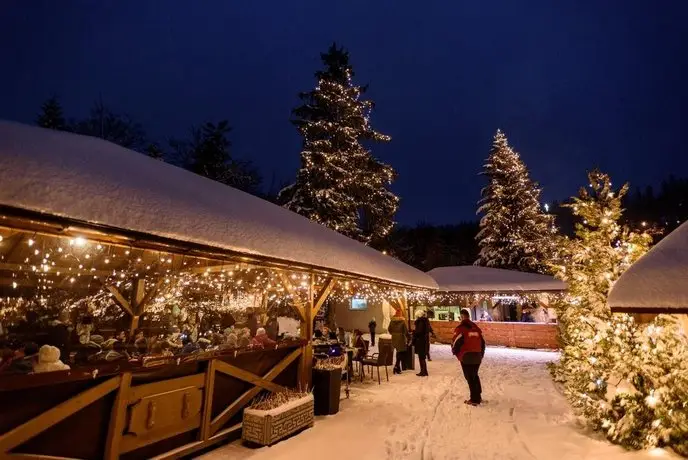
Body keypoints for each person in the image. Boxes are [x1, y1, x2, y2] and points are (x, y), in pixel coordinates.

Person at [452, 309, 486, 406]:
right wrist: (481, 354)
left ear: (462, 317)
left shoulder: (461, 328)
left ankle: (474, 399)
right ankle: (478, 396)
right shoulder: (476, 328)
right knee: (474, 375)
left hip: (466, 356)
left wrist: (456, 353)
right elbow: (483, 342)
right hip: (477, 355)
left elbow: (455, 342)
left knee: (470, 377)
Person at [413, 310, 430, 377]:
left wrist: (414, 332)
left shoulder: (421, 322)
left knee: (421, 357)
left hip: (421, 341)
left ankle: (423, 371)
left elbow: (419, 332)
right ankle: (424, 371)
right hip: (424, 341)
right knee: (422, 356)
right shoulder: (425, 321)